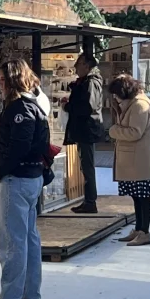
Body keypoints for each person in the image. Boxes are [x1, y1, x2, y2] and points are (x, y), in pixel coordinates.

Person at [0, 59, 50, 299]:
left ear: (13, 81)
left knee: (13, 242)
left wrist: (0, 169)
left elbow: (20, 146)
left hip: (17, 178)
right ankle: (30, 295)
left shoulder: (19, 109)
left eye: (3, 80)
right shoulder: (35, 105)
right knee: (29, 239)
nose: (0, 85)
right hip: (32, 177)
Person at [104, 74, 150, 246]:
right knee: (137, 196)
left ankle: (145, 232)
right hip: (133, 160)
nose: (114, 97)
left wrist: (113, 131)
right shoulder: (130, 105)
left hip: (139, 160)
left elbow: (135, 132)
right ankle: (139, 229)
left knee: (143, 197)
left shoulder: (139, 106)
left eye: (116, 94)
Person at [63, 54, 107, 214]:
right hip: (84, 129)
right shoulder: (85, 82)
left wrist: (69, 107)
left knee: (87, 166)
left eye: (79, 64)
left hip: (87, 129)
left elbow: (88, 106)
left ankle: (90, 201)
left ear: (87, 66)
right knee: (85, 165)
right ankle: (88, 200)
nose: (75, 67)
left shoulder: (91, 83)